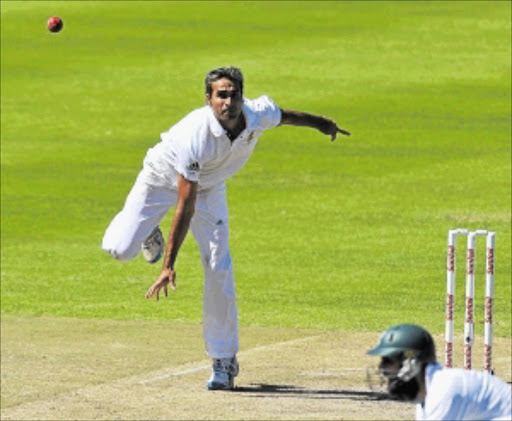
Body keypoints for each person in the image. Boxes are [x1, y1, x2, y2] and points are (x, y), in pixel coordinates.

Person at [102, 66, 350, 390]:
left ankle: (223, 360)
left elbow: (287, 116)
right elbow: (184, 205)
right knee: (120, 249)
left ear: (241, 97)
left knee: (219, 265)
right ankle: (148, 230)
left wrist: (323, 124)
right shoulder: (196, 135)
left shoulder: (256, 113)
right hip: (161, 178)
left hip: (210, 188)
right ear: (208, 99)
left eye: (233, 95)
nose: (228, 102)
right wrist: (168, 266)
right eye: (221, 95)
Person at [366, 324, 512, 420]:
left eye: (388, 361)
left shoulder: (443, 391)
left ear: (410, 362)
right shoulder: (427, 396)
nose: (382, 369)